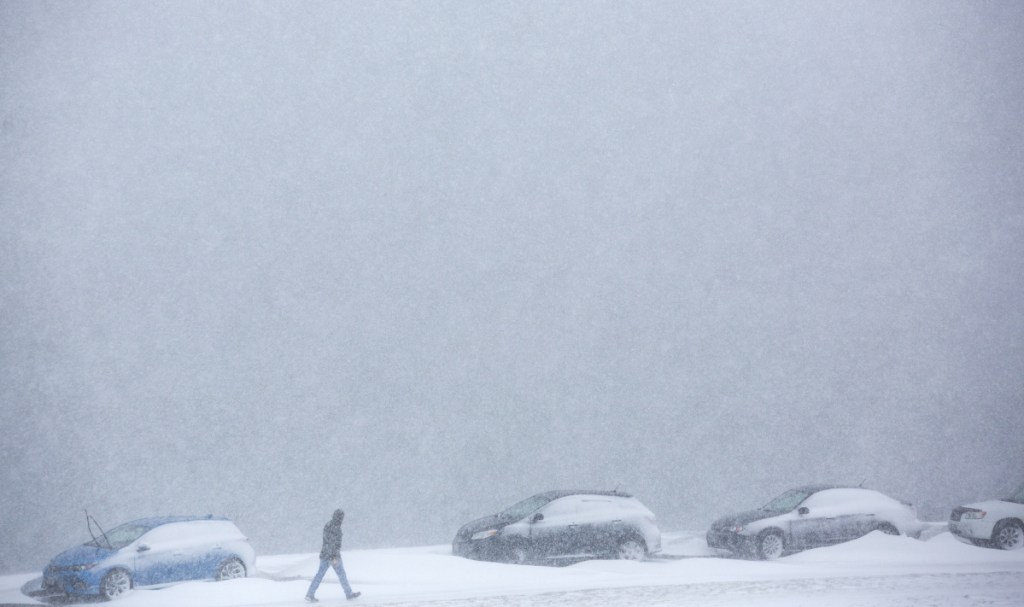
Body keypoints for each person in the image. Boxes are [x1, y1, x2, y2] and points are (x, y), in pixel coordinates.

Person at [306, 509, 360, 601]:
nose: (342, 519)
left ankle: (310, 593)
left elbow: (327, 541)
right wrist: (333, 556)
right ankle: (348, 593)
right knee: (341, 574)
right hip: (333, 556)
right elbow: (332, 542)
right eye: (341, 517)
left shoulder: (329, 525)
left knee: (320, 574)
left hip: (325, 554)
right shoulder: (335, 527)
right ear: (339, 517)